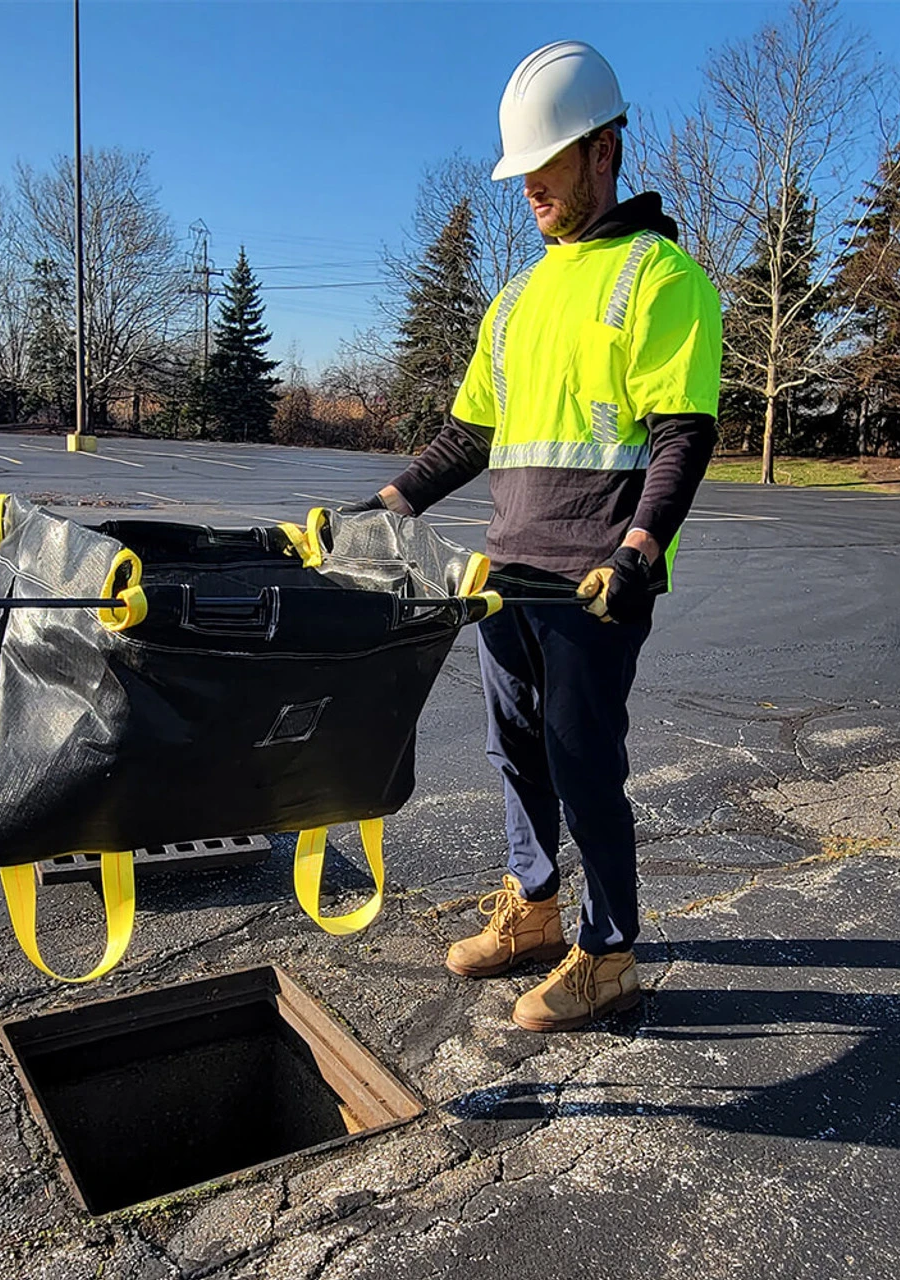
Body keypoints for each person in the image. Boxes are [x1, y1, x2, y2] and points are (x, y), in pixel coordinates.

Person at [344, 41, 722, 1031]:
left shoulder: (659, 277)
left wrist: (639, 551)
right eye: (521, 172)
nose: (530, 189)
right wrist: (387, 506)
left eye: (545, 165)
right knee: (513, 746)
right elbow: (471, 433)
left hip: (593, 579)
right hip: (505, 570)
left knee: (579, 756)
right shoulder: (514, 298)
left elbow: (681, 433)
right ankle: (535, 906)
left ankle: (609, 951)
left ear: (603, 151)